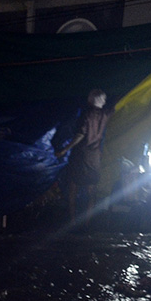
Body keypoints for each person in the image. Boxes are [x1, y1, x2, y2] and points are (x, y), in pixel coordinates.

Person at [56, 88, 113, 221]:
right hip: (95, 156)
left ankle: (72, 218)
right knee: (91, 189)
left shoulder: (86, 114)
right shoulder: (105, 114)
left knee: (73, 187)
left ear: (90, 100)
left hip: (81, 155)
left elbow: (80, 134)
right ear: (102, 101)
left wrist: (64, 150)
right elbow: (115, 105)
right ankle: (88, 220)